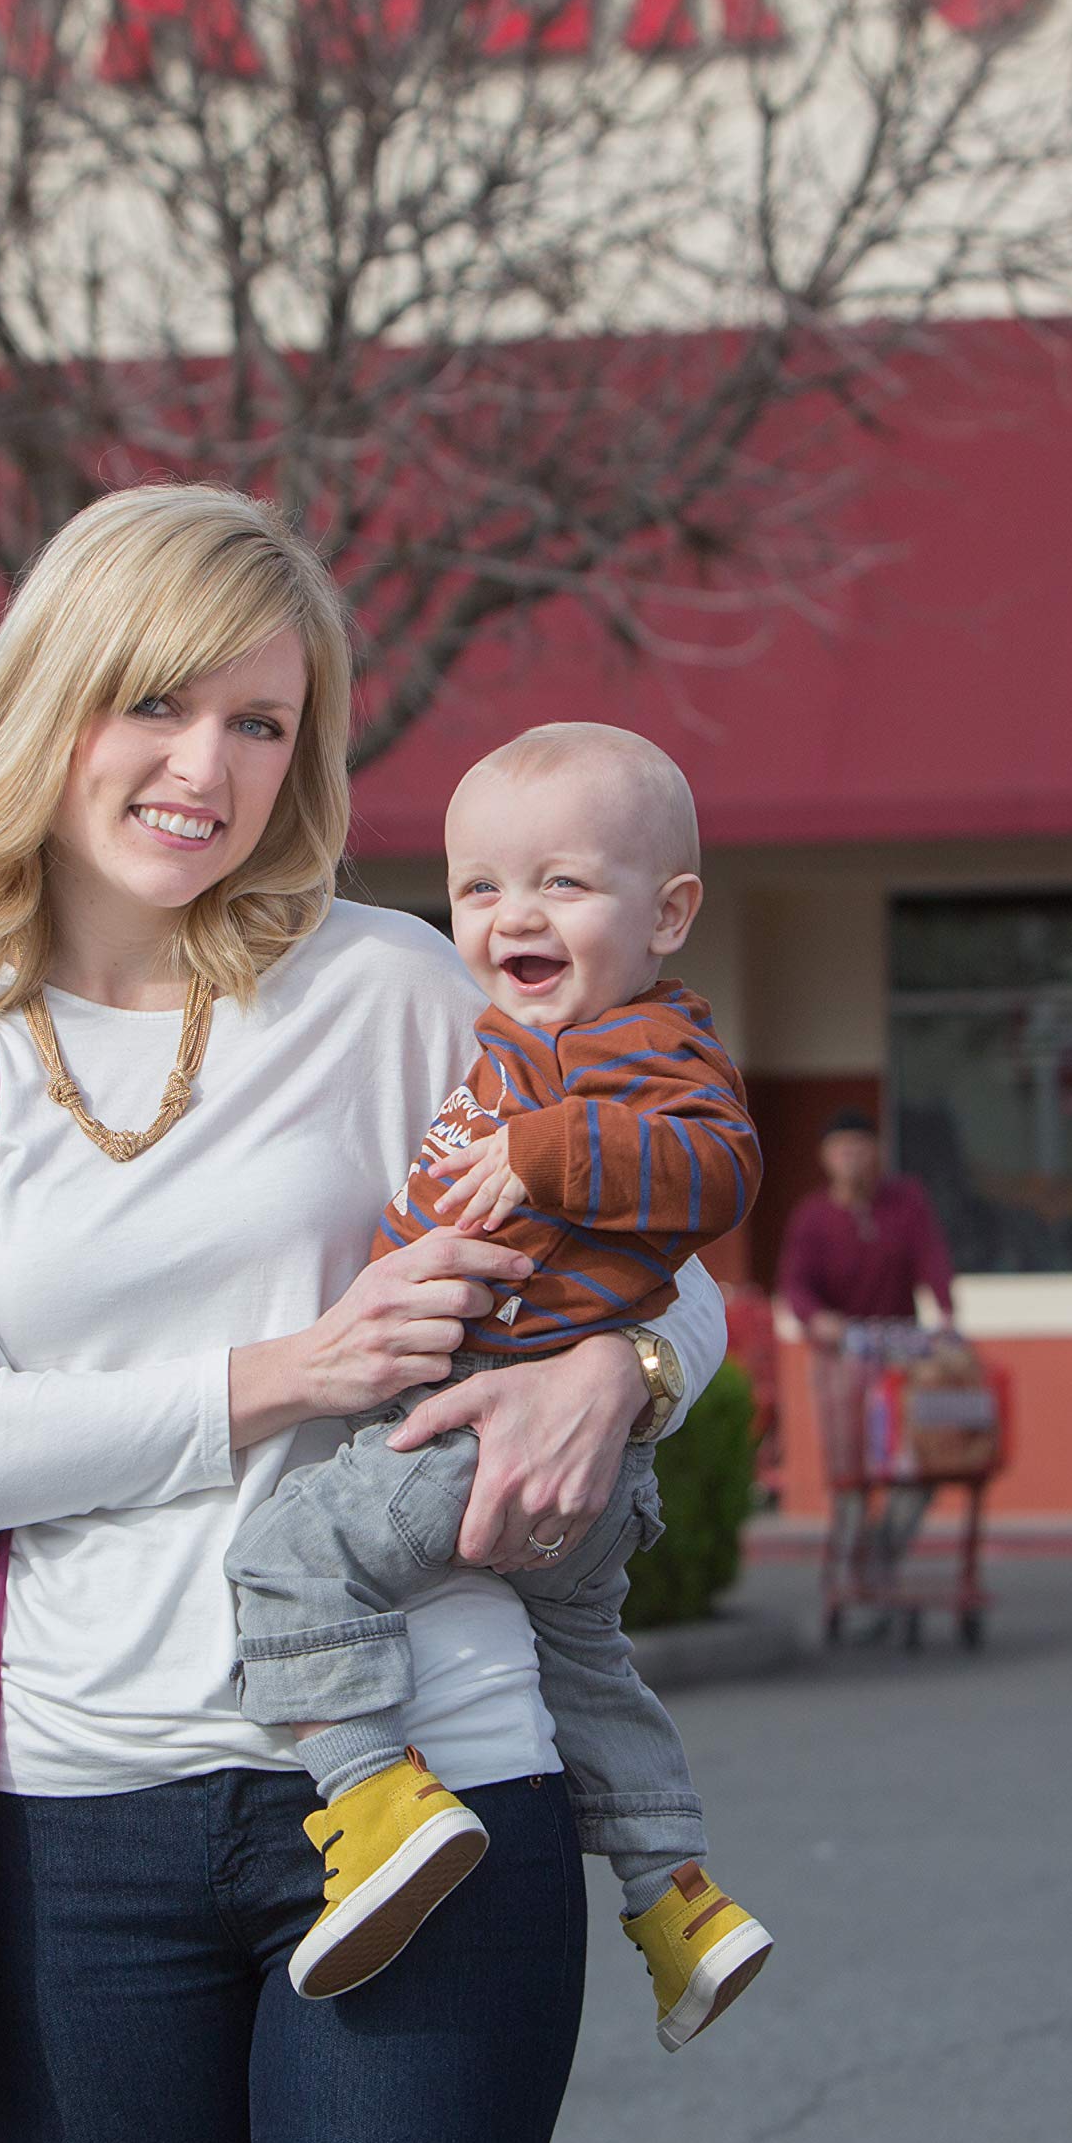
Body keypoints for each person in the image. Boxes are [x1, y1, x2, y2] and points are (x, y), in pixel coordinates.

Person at [0, 486, 727, 2143]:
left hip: (436, 1783)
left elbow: (673, 1275)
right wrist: (280, 1374)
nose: (200, 768)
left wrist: (613, 1370)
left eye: (258, 723)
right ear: (46, 700)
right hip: (71, 1832)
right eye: (153, 701)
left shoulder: (390, 986)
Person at [224, 722, 774, 2052]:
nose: (512, 916)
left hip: (492, 1419)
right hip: (556, 1470)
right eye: (479, 890)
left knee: (290, 1550)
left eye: (562, 885)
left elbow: (722, 1176)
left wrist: (552, 1150)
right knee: (585, 1672)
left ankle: (372, 1796)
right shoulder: (512, 1037)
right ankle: (677, 1898)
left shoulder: (646, 1054)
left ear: (671, 913)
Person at [778, 1108, 958, 1577]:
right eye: (842, 1150)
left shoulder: (907, 1203)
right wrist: (818, 1320)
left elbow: (931, 1257)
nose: (851, 1159)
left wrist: (946, 1312)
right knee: (850, 1471)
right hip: (842, 1357)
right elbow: (795, 1283)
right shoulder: (813, 1217)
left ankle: (881, 1555)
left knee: (922, 1463)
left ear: (876, 1152)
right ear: (825, 1158)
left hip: (901, 1351)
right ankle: (852, 1565)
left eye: (860, 1148)